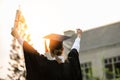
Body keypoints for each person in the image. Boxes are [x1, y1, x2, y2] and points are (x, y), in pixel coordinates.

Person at [11, 28, 83, 80]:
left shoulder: (45, 65)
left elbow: (31, 52)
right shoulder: (71, 63)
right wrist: (79, 35)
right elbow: (75, 49)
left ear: (51, 51)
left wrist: (17, 36)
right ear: (63, 49)